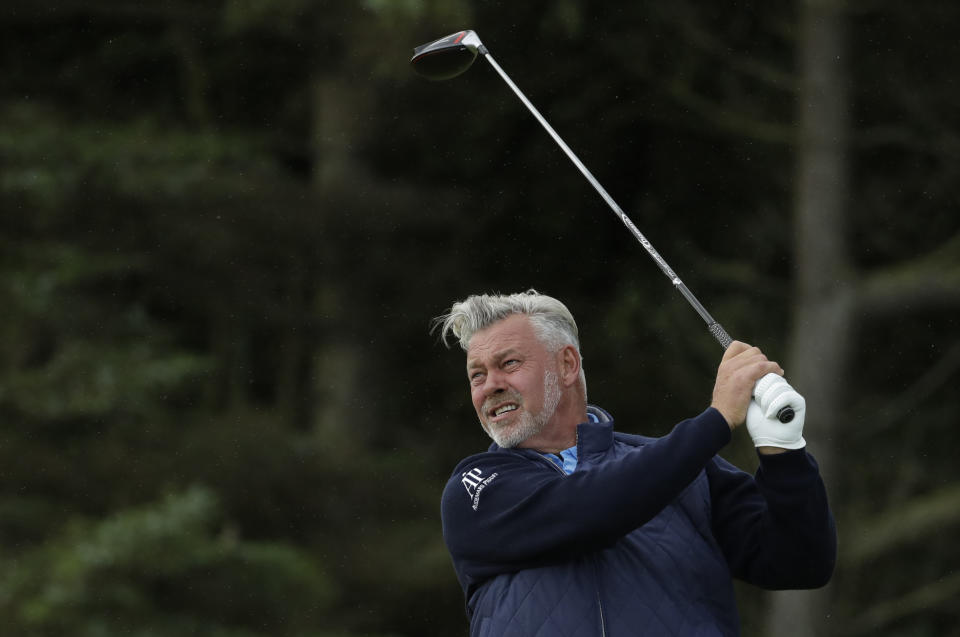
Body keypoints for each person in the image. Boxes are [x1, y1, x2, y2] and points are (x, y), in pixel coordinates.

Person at [434, 290, 836, 637]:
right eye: (477, 375)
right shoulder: (475, 488)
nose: (490, 386)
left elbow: (801, 563)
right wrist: (715, 420)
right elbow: (588, 510)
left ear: (568, 365)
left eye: (509, 364)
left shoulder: (685, 469)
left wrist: (783, 452)